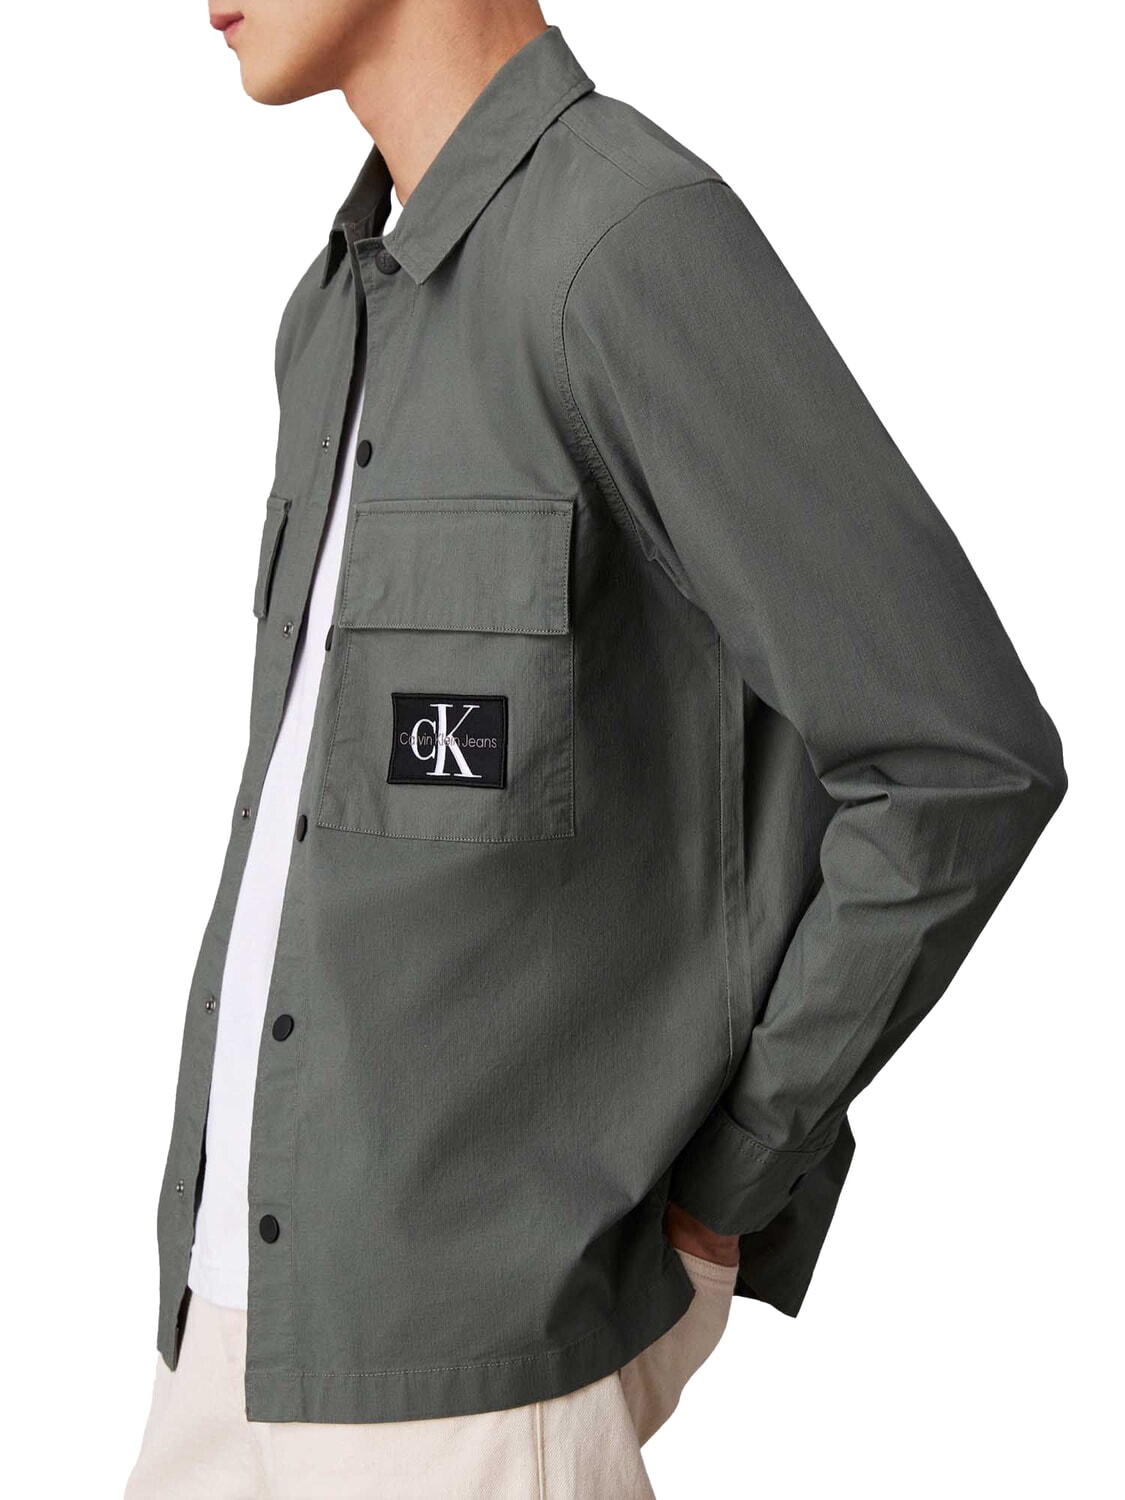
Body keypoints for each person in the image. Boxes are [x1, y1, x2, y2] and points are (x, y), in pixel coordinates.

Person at [124, 3, 1068, 1496]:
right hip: (221, 1341)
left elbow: (957, 759)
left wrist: (731, 1179)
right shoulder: (331, 310)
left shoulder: (625, 244)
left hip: (480, 1387)